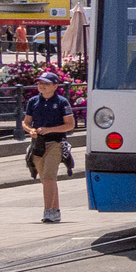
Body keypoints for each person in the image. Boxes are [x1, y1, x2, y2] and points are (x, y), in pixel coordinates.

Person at [20, 71, 77, 223]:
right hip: (38, 144)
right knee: (46, 180)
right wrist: (30, 130)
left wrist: (49, 129)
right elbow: (25, 122)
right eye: (40, 83)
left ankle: (48, 211)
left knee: (49, 177)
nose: (41, 86)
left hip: (55, 143)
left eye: (46, 84)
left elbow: (70, 125)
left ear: (55, 86)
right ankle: (55, 210)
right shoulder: (33, 102)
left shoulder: (61, 102)